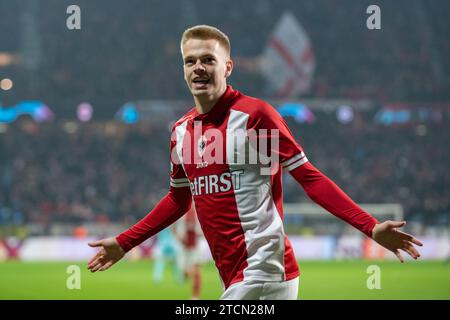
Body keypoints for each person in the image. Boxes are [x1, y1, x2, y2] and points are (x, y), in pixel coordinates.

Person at [87, 25, 423, 300]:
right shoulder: (181, 132)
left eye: (208, 60)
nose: (198, 68)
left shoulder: (254, 117)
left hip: (264, 272)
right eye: (190, 61)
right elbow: (178, 198)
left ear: (228, 67)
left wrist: (370, 226)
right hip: (233, 276)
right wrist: (125, 242)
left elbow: (308, 177)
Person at [173, 206, 203, 299]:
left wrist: (199, 232)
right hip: (183, 248)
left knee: (197, 271)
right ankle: (187, 272)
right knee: (186, 273)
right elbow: (174, 228)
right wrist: (178, 235)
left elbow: (202, 229)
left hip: (195, 247)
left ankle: (195, 297)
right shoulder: (180, 213)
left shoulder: (198, 212)